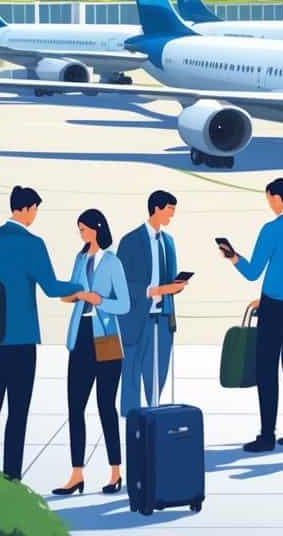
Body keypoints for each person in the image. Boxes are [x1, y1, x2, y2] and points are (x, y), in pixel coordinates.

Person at [0, 186, 84, 481]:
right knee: (17, 415)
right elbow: (50, 288)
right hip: (21, 341)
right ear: (28, 208)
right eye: (35, 210)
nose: (35, 215)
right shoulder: (33, 244)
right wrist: (79, 288)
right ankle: (11, 479)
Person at [221, 177, 283, 453]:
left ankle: (267, 435)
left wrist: (233, 257)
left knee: (267, 370)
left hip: (273, 307)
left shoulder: (271, 229)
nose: (268, 203)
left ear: (276, 197)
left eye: (268, 198)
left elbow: (253, 271)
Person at [54, 209, 130, 496]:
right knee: (75, 407)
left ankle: (115, 472)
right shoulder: (79, 258)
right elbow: (68, 294)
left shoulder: (113, 262)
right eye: (79, 230)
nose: (81, 234)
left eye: (84, 229)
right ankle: (76, 475)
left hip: (107, 338)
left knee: (105, 407)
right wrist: (74, 295)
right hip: (81, 336)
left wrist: (98, 300)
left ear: (97, 228)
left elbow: (124, 304)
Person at [118, 190, 188, 416]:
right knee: (131, 370)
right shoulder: (130, 241)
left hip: (163, 316)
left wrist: (175, 286)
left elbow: (170, 277)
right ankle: (131, 419)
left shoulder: (169, 242)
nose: (172, 216)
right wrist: (154, 291)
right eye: (170, 210)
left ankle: (154, 415)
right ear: (157, 209)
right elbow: (121, 284)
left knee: (158, 371)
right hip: (136, 317)